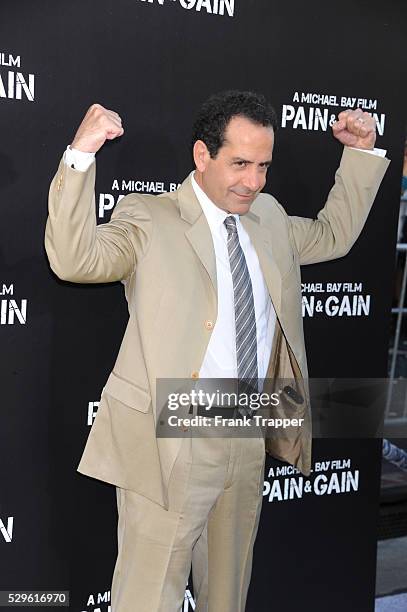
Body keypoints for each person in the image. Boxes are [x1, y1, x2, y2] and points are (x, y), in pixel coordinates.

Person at [45, 90, 389, 612]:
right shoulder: (149, 216)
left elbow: (333, 235)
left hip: (247, 426)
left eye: (264, 167)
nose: (254, 182)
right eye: (240, 164)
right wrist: (81, 154)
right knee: (148, 596)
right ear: (202, 156)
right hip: (173, 429)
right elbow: (74, 260)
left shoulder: (268, 217)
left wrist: (361, 154)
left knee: (227, 594)